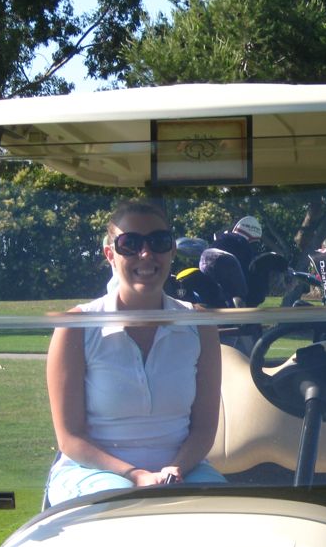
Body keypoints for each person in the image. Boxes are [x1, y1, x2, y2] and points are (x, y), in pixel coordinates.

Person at [46, 200, 224, 504]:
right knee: (120, 511)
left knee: (235, 518)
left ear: (171, 251)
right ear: (110, 255)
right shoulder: (76, 326)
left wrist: (174, 469)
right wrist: (136, 475)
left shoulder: (200, 325)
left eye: (158, 242)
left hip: (182, 470)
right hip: (92, 471)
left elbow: (204, 429)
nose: (146, 254)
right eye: (130, 244)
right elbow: (70, 438)